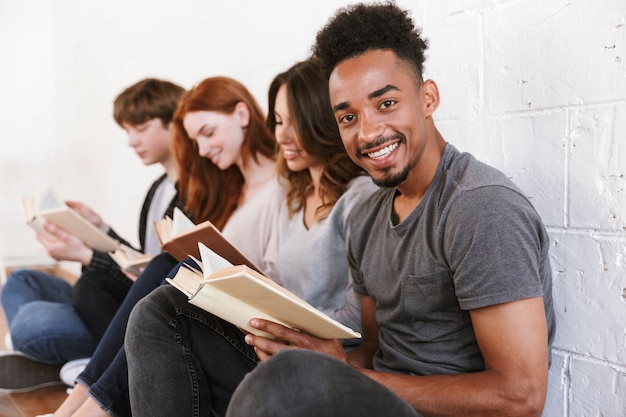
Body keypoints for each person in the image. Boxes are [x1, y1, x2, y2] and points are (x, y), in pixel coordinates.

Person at [222, 3, 557, 417]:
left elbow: (520, 398)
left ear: (428, 97)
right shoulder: (367, 216)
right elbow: (372, 350)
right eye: (348, 116)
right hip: (376, 401)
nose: (368, 132)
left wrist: (338, 373)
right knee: (165, 313)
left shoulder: (480, 207)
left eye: (386, 104)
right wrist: (305, 350)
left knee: (284, 385)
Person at [125, 57, 377, 417]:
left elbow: (359, 322)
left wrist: (282, 323)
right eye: (277, 122)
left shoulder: (359, 197)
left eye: (295, 123)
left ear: (322, 120)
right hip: (274, 342)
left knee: (164, 307)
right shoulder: (294, 196)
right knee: (159, 306)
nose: (282, 137)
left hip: (316, 356)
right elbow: (275, 278)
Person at [45, 76, 283, 417]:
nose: (202, 149)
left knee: (150, 280)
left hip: (238, 324)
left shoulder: (276, 187)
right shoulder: (206, 189)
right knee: (140, 275)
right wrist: (99, 233)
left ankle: (89, 406)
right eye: (196, 139)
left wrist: (88, 252)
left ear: (243, 115)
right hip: (181, 301)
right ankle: (77, 404)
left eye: (208, 133)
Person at [0, 78, 185, 392]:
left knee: (31, 322)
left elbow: (155, 279)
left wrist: (84, 255)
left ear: (176, 124)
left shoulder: (195, 194)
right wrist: (100, 228)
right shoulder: (158, 188)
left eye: (140, 128)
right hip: (116, 300)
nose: (131, 141)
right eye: (128, 131)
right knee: (22, 281)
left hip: (141, 314)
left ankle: (83, 362)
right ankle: (63, 362)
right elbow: (143, 260)